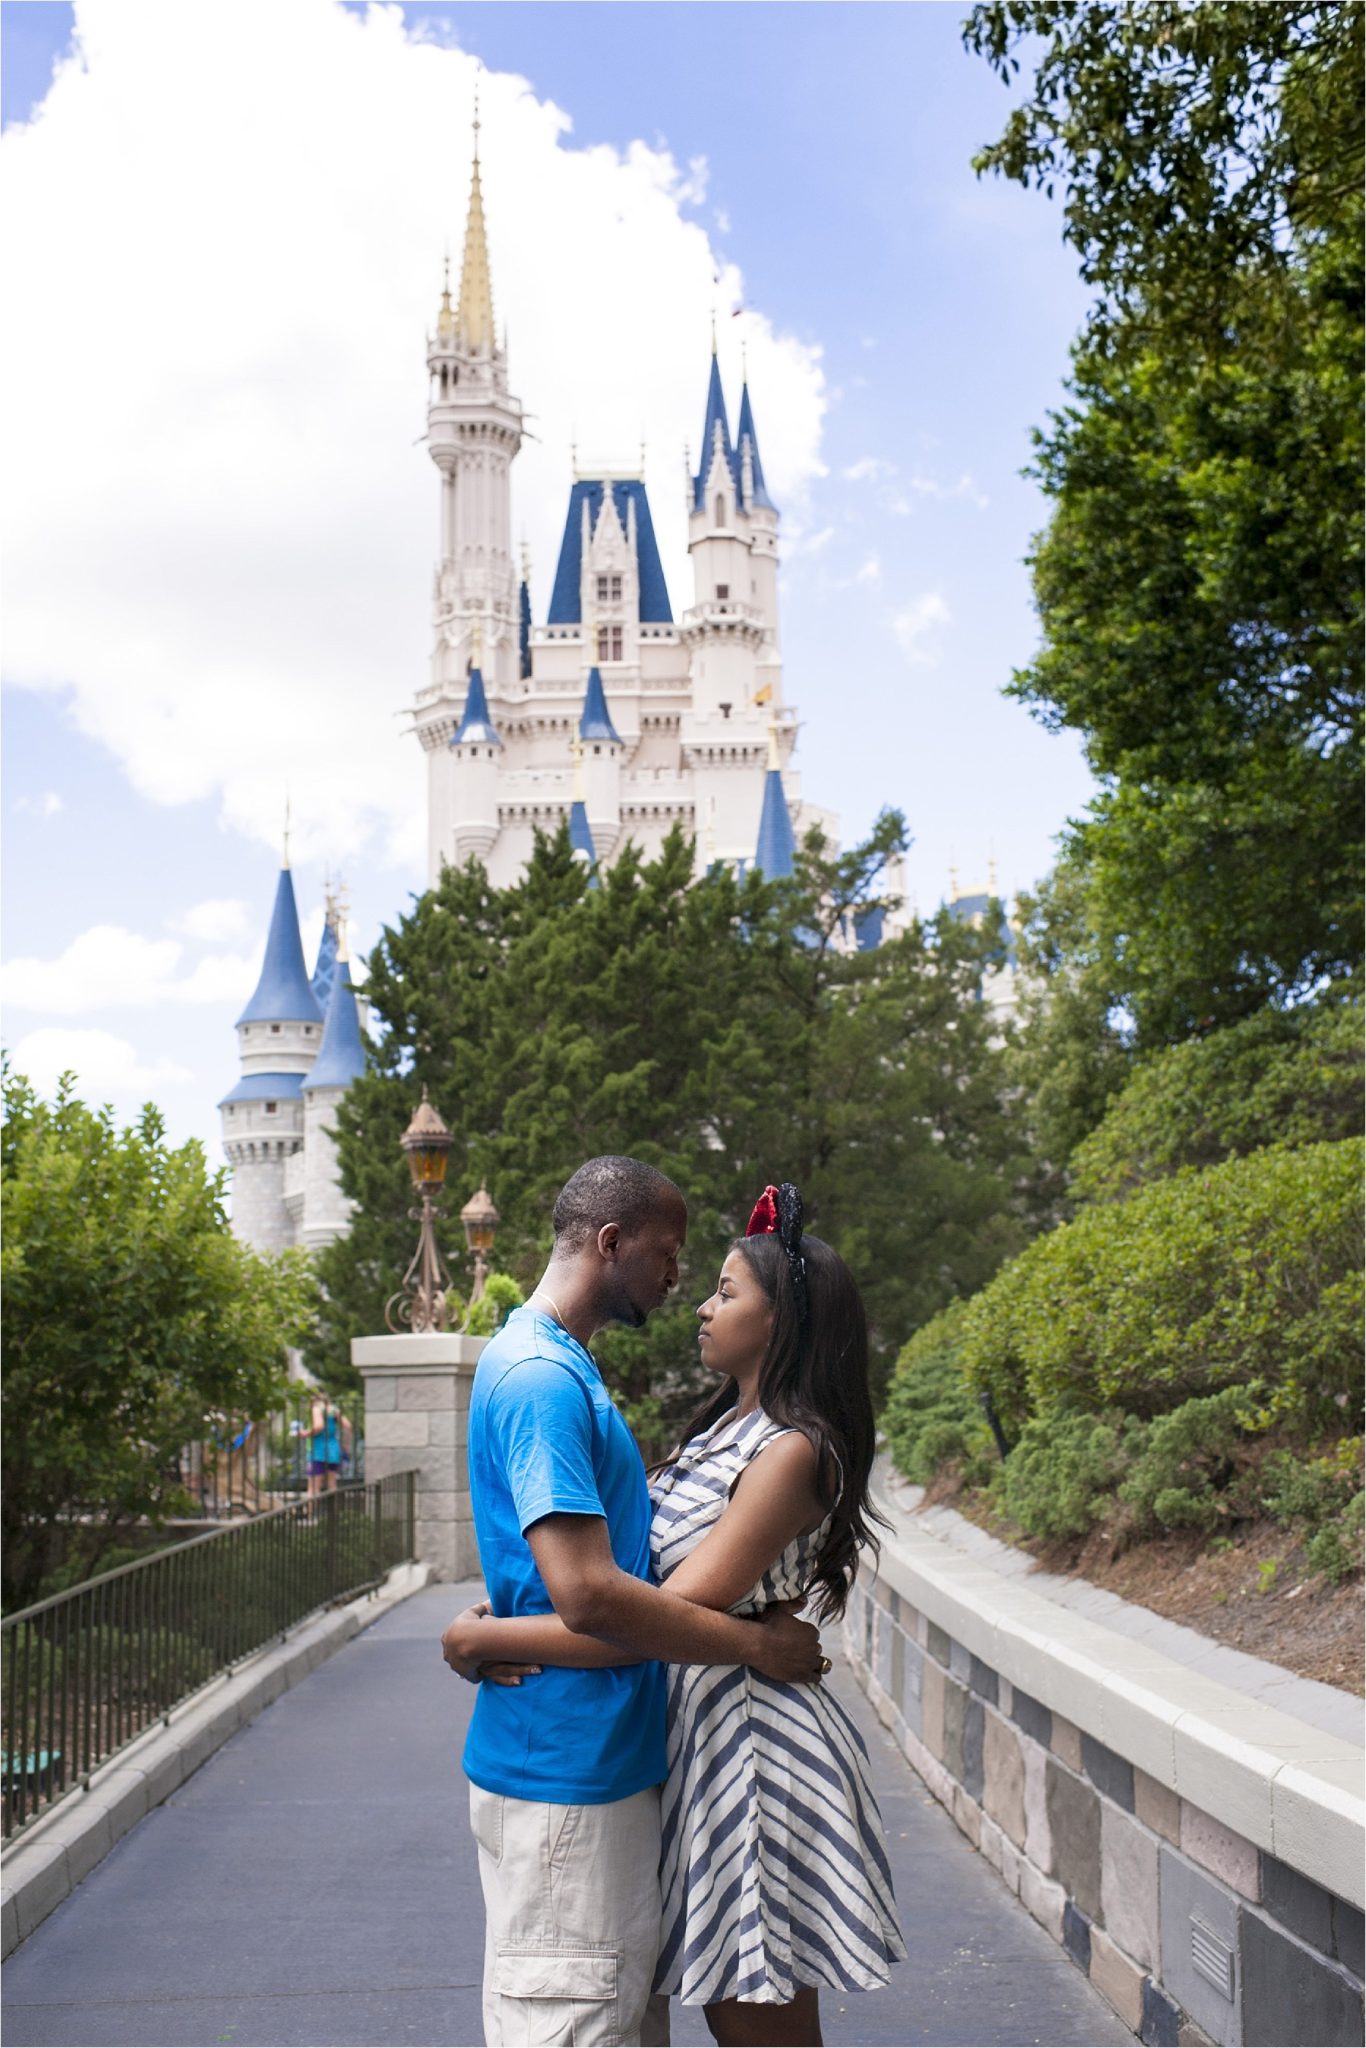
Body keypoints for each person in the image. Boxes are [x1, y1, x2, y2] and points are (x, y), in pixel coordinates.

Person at [446, 1179, 905, 2048]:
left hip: (749, 1749)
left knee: (757, 2025)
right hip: (698, 1731)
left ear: (782, 1324)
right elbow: (618, 1591)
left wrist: (484, 1637)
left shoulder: (790, 1447)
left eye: (727, 1292)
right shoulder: (717, 1428)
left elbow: (648, 1611)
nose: (698, 1300)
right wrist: (492, 1623)